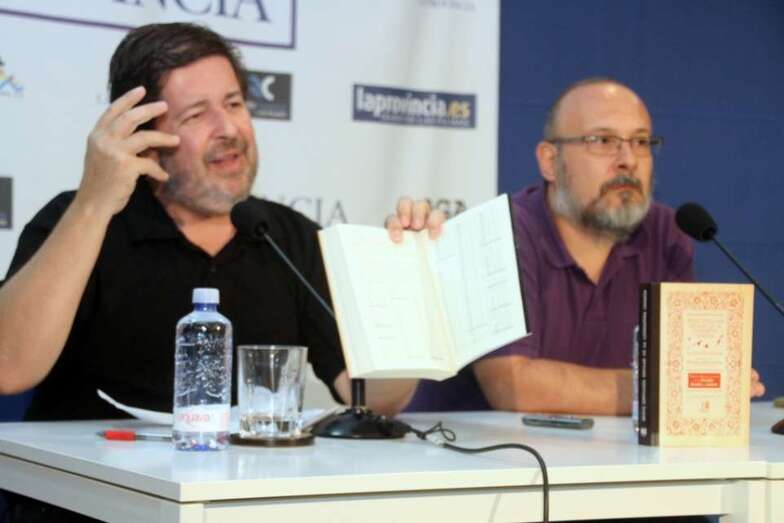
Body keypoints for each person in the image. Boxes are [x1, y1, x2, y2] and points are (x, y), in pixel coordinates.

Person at [0, 23, 419, 522]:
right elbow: (9, 368)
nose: (229, 129)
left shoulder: (288, 236)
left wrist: (409, 292)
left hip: (245, 507)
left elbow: (371, 396)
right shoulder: (81, 221)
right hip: (89, 508)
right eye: (197, 114)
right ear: (143, 139)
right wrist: (93, 202)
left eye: (234, 103)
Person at [389, 77, 765, 415]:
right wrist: (659, 388)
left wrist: (704, 382)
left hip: (610, 457)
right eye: (602, 141)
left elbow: (690, 370)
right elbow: (514, 386)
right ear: (550, 161)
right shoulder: (501, 233)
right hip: (478, 461)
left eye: (640, 142)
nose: (628, 161)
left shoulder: (667, 233)